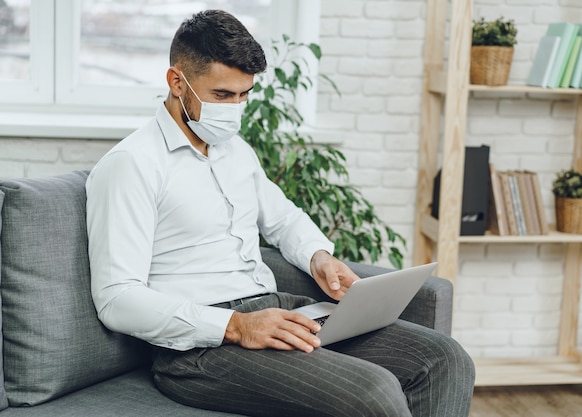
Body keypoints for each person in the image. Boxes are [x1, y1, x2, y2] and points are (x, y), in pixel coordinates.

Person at [86, 9, 475, 417]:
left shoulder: (235, 150)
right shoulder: (131, 164)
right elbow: (116, 298)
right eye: (222, 95)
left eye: (244, 95)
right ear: (177, 81)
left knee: (446, 359)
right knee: (372, 391)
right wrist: (236, 326)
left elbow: (282, 217)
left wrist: (318, 257)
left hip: (275, 308)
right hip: (199, 349)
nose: (235, 108)